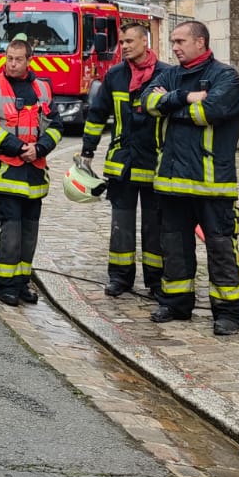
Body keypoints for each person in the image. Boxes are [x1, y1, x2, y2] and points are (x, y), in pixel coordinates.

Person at [143, 20, 239, 337]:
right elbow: (147, 103)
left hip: (212, 185)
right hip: (171, 182)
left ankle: (229, 312)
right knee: (174, 247)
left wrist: (170, 104)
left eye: (181, 41)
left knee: (221, 249)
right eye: (173, 41)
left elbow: (209, 112)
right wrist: (185, 98)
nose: (175, 47)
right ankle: (176, 303)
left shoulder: (226, 77)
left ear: (201, 42)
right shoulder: (170, 74)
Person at [0, 37, 67, 305]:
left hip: (35, 173)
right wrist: (19, 148)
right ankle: (3, 285)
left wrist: (40, 148)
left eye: (18, 59)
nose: (12, 63)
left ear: (29, 60)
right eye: (9, 58)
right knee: (11, 233)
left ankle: (21, 282)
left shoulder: (42, 89)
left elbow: (56, 125)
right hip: (7, 172)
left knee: (29, 235)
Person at [81, 20, 167, 297]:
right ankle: (120, 277)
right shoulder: (116, 75)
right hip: (122, 164)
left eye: (130, 41)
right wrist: (87, 150)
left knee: (155, 227)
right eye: (123, 42)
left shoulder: (166, 75)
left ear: (145, 42)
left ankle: (156, 281)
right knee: (121, 228)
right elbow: (97, 115)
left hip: (155, 165)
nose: (125, 47)